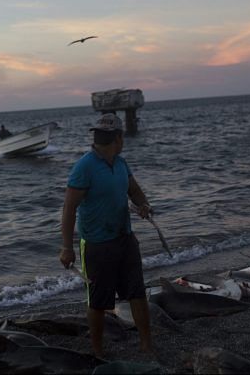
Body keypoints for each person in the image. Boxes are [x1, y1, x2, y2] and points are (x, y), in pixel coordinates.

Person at [59, 113, 154, 358]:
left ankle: (146, 344)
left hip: (125, 238)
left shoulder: (121, 164)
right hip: (97, 245)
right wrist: (66, 248)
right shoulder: (84, 167)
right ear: (119, 138)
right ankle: (98, 350)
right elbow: (69, 209)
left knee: (137, 292)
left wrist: (144, 205)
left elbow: (134, 191)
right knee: (99, 302)